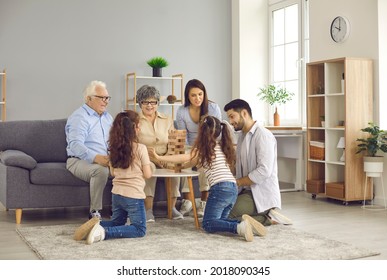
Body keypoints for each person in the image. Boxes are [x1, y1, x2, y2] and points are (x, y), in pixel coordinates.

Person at [150, 115, 267, 241]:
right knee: (220, 222)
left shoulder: (203, 148)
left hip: (220, 188)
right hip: (233, 188)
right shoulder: (220, 147)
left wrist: (159, 157)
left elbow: (184, 157)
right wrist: (174, 167)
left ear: (202, 131)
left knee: (208, 224)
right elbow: (189, 162)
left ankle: (240, 226)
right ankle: (247, 227)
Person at [74, 110, 152, 244]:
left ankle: (93, 226)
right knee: (139, 229)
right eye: (139, 125)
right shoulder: (141, 148)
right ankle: (104, 232)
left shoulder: (113, 149)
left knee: (117, 222)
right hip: (134, 196)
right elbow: (147, 174)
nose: (140, 128)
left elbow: (113, 173)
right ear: (134, 128)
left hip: (116, 194)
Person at [223, 99, 292, 226]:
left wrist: (238, 182)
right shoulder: (242, 136)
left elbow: (264, 171)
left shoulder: (263, 135)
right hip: (245, 191)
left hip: (259, 194)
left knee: (226, 215)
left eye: (232, 117)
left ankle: (267, 218)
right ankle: (260, 214)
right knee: (217, 210)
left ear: (244, 113)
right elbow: (238, 168)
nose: (231, 121)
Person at [65, 80, 113, 219]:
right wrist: (96, 158)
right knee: (101, 170)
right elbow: (75, 145)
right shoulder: (79, 117)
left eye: (107, 98)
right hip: (78, 161)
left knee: (128, 167)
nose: (106, 101)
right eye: (102, 98)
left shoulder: (108, 117)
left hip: (106, 159)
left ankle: (120, 209)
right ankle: (95, 212)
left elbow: (113, 141)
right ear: (88, 98)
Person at [176, 79, 222, 217]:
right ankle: (188, 201)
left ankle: (204, 201)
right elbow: (182, 136)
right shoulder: (181, 111)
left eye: (200, 94)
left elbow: (216, 132)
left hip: (208, 144)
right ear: (188, 96)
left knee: (204, 160)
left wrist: (202, 148)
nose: (198, 98)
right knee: (184, 162)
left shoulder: (213, 108)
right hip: (189, 146)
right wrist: (191, 150)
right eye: (193, 95)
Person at [136, 85, 183, 222]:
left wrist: (167, 158)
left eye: (153, 102)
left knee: (176, 168)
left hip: (165, 155)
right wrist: (154, 159)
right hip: (145, 157)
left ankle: (172, 208)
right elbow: (134, 143)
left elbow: (174, 141)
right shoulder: (135, 120)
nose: (150, 105)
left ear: (157, 103)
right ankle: (148, 210)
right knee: (149, 168)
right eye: (146, 102)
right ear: (140, 103)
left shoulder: (167, 119)